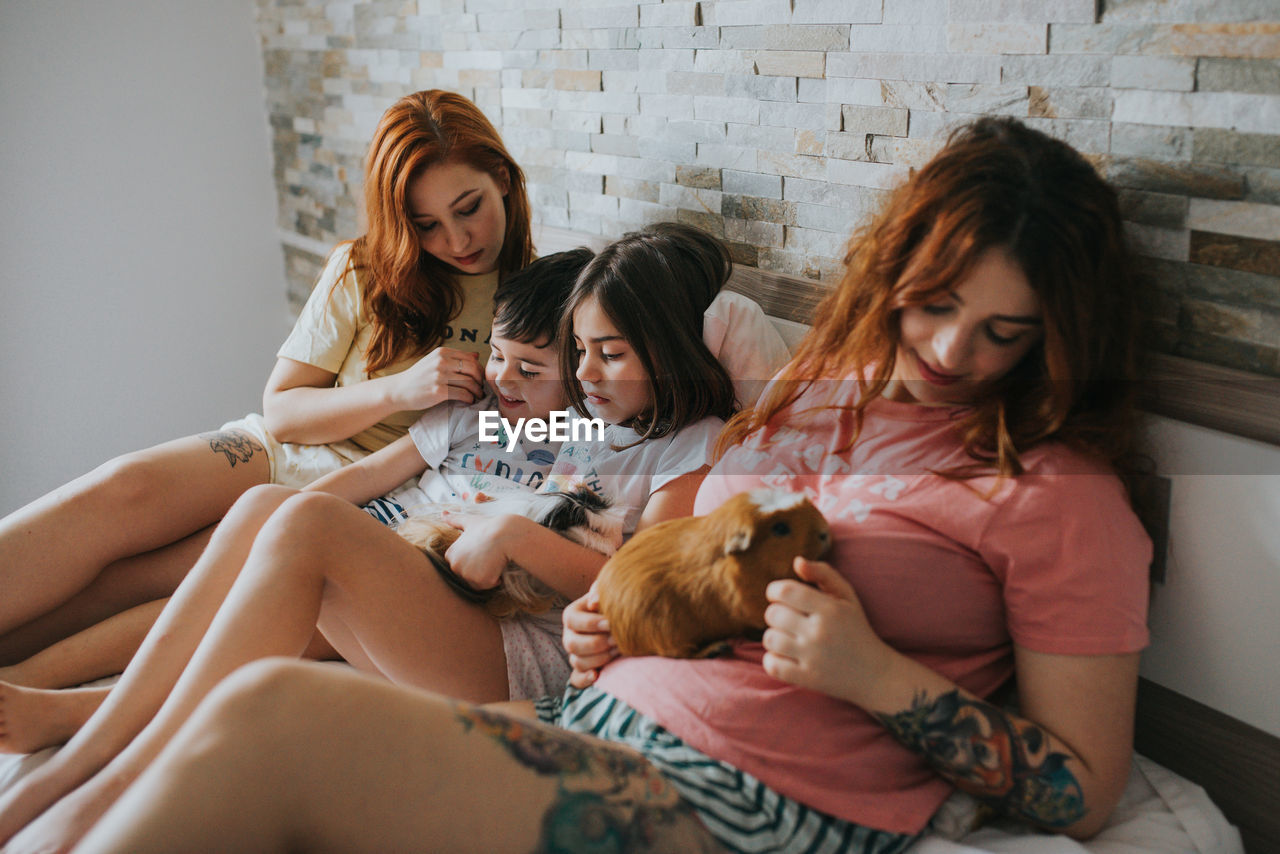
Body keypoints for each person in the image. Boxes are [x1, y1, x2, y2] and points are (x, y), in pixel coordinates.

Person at [60, 117, 1150, 854]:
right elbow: (673, 546)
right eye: (929, 302)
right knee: (263, 680)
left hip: (747, 791)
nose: (952, 349)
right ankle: (62, 790)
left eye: (1002, 331)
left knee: (278, 715)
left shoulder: (1057, 494)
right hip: (600, 711)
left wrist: (870, 673)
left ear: (1057, 335)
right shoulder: (816, 393)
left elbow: (1087, 785)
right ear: (889, 275)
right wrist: (611, 623)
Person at [0, 223, 742, 852]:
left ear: (669, 349)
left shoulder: (688, 444)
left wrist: (515, 536)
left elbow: (640, 595)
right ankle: (86, 759)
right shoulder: (563, 415)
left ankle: (107, 777)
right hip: (450, 603)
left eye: (608, 354)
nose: (587, 375)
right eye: (579, 353)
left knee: (308, 521)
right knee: (269, 508)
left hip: (520, 652)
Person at [0, 89, 532, 670]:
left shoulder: (538, 298)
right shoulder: (365, 268)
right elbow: (283, 410)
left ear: (502, 178)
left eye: (469, 208)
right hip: (285, 447)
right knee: (125, 486)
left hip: (384, 491)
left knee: (159, 577)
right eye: (426, 225)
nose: (456, 241)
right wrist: (398, 391)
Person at [0, 248, 592, 756]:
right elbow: (371, 473)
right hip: (365, 532)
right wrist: (273, 525)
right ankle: (30, 678)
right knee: (235, 542)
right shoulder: (473, 414)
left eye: (530, 369)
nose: (504, 379)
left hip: (415, 578)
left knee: (260, 612)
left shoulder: (589, 451)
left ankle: (79, 716)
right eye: (498, 356)